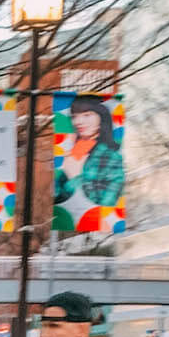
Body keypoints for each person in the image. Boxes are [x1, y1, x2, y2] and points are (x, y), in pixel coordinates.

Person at [53, 93, 125, 233]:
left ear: (101, 118)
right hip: (68, 225)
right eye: (74, 116)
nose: (78, 122)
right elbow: (56, 197)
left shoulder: (111, 157)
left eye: (87, 115)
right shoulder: (76, 150)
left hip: (96, 228)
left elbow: (106, 202)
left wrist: (76, 178)